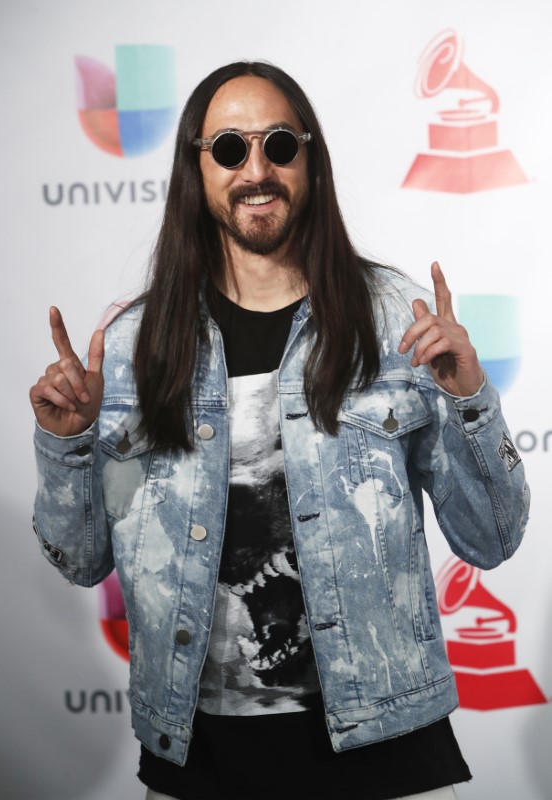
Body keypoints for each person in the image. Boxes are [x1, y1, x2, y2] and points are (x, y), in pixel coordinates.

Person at [30, 61, 529, 800]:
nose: (255, 169)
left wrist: (469, 396)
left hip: (389, 758)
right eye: (229, 148)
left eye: (279, 145)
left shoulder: (398, 321)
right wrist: (67, 446)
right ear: (196, 171)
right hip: (197, 764)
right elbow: (80, 559)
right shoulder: (135, 350)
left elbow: (493, 537)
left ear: (311, 161)